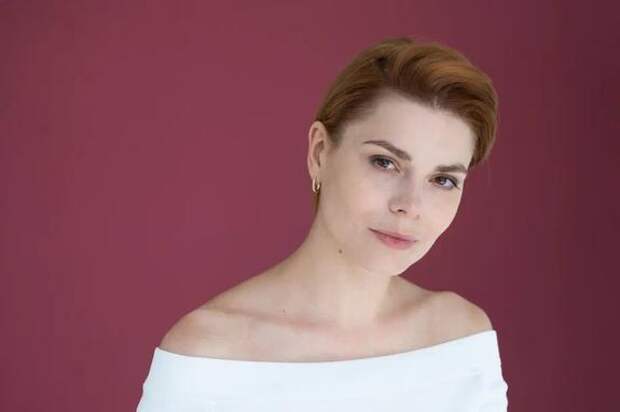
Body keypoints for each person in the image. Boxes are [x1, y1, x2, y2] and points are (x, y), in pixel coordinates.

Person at [136, 36, 508, 411]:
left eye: (443, 180)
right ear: (319, 153)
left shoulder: (461, 341)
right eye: (385, 163)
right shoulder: (208, 357)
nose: (410, 206)